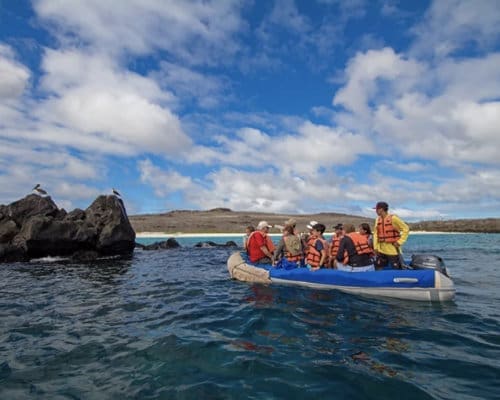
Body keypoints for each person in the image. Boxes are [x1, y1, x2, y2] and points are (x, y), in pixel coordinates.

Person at [372, 201, 410, 270]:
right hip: (381, 250)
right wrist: (375, 247)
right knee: (378, 267)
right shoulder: (377, 220)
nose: (376, 211)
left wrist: (399, 242)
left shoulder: (393, 218)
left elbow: (406, 228)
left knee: (397, 268)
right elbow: (375, 234)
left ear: (381, 209)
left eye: (376, 209)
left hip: (393, 250)